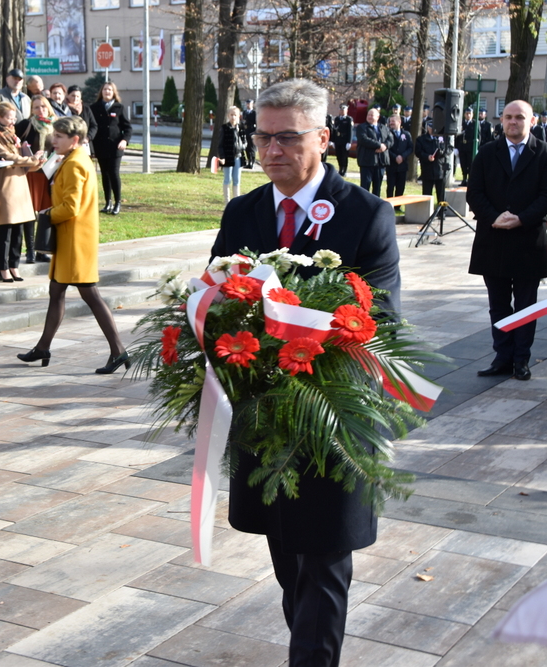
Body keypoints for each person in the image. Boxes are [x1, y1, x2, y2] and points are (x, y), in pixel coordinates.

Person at [209, 79, 400, 667]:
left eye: (288, 138)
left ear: (323, 137)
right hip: (264, 418)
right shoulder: (243, 212)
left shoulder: (365, 214)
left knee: (324, 559)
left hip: (330, 418)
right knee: (288, 556)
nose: (272, 150)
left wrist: (298, 335)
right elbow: (214, 298)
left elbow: (382, 318)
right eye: (262, 137)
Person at [16, 116, 129, 375]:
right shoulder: (73, 158)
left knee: (90, 295)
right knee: (56, 291)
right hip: (70, 240)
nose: (53, 140)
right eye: (54, 135)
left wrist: (45, 214)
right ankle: (43, 347)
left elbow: (70, 207)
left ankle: (118, 350)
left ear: (74, 140)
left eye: (59, 136)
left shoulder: (75, 163)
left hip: (75, 241)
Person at [466, 100, 547, 382]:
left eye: (519, 117)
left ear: (532, 121)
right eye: (508, 117)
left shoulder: (545, 153)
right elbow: (474, 192)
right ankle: (502, 357)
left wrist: (521, 218)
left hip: (527, 241)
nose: (513, 122)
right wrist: (494, 217)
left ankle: (521, 359)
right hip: (492, 239)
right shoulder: (487, 152)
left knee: (525, 305)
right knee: (498, 304)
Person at [0, 102, 44, 283]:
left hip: (20, 183)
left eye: (14, 117)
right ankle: (3, 268)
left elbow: (21, 160)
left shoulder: (12, 134)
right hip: (6, 184)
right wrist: (30, 159)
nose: (13, 121)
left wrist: (36, 162)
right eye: (9, 117)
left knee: (19, 228)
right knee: (6, 227)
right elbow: (6, 156)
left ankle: (14, 265)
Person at [16, 94, 57, 262]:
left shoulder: (55, 126)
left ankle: (42, 249)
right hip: (31, 174)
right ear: (31, 110)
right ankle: (30, 250)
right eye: (36, 107)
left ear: (49, 108)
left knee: (45, 212)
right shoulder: (26, 125)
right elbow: (15, 146)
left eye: (43, 106)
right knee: (30, 213)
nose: (41, 110)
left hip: (49, 173)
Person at [90, 81, 132, 216]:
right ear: (101, 92)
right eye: (105, 89)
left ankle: (117, 202)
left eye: (109, 90)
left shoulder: (119, 107)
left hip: (115, 147)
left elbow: (127, 128)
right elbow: (92, 126)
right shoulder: (94, 108)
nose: (107, 92)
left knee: (114, 173)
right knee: (105, 174)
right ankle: (108, 202)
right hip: (101, 146)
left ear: (114, 92)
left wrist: (125, 140)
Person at [415, 119, 452, 204]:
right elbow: (418, 152)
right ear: (428, 128)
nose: (433, 129)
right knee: (427, 193)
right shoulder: (421, 139)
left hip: (440, 168)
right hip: (427, 168)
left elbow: (450, 148)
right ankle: (427, 209)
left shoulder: (444, 137)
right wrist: (427, 157)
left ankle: (442, 209)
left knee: (441, 194)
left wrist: (442, 152)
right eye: (431, 127)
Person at [355, 108, 390, 196]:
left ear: (378, 117)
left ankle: (376, 204)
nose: (369, 117)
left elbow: (390, 139)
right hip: (367, 161)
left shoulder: (384, 128)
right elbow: (363, 139)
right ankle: (364, 203)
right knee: (365, 186)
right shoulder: (362, 127)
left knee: (377, 187)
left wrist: (385, 146)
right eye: (368, 115)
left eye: (372, 115)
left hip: (380, 162)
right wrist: (379, 145)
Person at [218, 105, 247, 204]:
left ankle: (236, 202)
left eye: (235, 115)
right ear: (228, 115)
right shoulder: (225, 128)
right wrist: (222, 157)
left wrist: (241, 146)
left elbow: (245, 142)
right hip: (228, 157)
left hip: (238, 156)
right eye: (231, 115)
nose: (233, 117)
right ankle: (227, 202)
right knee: (227, 179)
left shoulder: (241, 128)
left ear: (238, 116)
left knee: (237, 180)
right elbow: (220, 144)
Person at [385, 112, 412, 198]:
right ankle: (390, 203)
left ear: (399, 122)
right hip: (391, 165)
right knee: (390, 187)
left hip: (402, 165)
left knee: (400, 187)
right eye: (390, 121)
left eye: (393, 121)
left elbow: (410, 148)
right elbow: (386, 148)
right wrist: (395, 157)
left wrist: (402, 157)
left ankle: (398, 204)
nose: (391, 123)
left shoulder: (406, 134)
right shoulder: (387, 133)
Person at [332, 103, 353, 177]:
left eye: (343, 110)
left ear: (347, 111)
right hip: (338, 140)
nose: (342, 111)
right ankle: (340, 169)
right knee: (338, 156)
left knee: (344, 156)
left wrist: (349, 142)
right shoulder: (337, 119)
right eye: (341, 110)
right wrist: (333, 140)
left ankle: (344, 170)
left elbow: (350, 131)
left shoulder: (348, 119)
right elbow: (334, 130)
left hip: (345, 140)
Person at [457, 107, 477, 185]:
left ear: (472, 115)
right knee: (463, 163)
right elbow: (457, 136)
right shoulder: (461, 123)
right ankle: (464, 179)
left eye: (470, 114)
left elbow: (478, 136)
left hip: (471, 147)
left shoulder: (475, 123)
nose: (468, 115)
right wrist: (456, 147)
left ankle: (470, 179)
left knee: (470, 164)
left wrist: (477, 147)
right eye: (467, 113)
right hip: (462, 147)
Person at [242, 99, 257, 168]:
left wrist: (255, 132)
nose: (248, 105)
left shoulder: (254, 113)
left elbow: (257, 123)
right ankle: (248, 162)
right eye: (247, 104)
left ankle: (252, 162)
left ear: (252, 105)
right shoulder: (244, 112)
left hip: (252, 131)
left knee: (252, 148)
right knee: (247, 147)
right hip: (246, 131)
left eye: (249, 104)